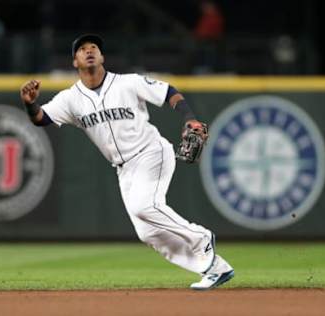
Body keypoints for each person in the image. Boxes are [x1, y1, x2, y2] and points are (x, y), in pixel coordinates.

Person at [19, 34, 234, 290]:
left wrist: (189, 118)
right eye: (83, 49)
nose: (89, 51)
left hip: (151, 152)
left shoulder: (128, 83)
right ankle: (214, 268)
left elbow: (168, 92)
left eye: (94, 47)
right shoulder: (70, 99)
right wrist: (30, 104)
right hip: (124, 169)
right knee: (148, 232)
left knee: (145, 206)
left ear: (102, 57)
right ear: (75, 61)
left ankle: (202, 238)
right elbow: (42, 119)